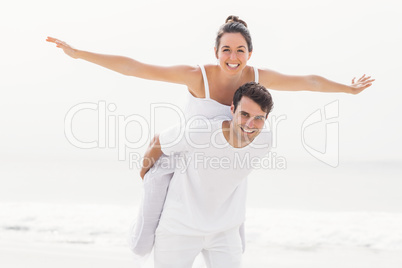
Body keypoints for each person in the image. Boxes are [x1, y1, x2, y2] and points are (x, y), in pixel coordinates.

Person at [46, 15, 375, 257]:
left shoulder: (256, 78)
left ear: (250, 53)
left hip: (225, 171)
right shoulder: (197, 76)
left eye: (241, 50)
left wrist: (347, 90)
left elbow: (308, 81)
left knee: (232, 234)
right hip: (185, 161)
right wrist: (79, 54)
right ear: (216, 51)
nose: (233, 58)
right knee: (145, 237)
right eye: (227, 50)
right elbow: (136, 67)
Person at [141, 82, 273, 267]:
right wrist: (146, 176)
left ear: (267, 117)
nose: (251, 125)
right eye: (245, 114)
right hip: (180, 227)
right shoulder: (201, 132)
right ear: (233, 109)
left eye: (259, 118)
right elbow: (158, 141)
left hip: (225, 230)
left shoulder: (265, 141)